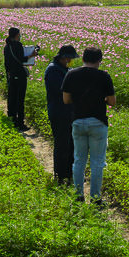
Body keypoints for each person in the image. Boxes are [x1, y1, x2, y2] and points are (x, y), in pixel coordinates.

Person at [61, 47, 116, 204]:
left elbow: (66, 100)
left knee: (79, 159)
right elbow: (112, 101)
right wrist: (100, 100)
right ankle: (96, 198)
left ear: (83, 59)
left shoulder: (71, 74)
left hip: (78, 122)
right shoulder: (104, 76)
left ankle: (78, 196)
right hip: (97, 123)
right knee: (97, 162)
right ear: (99, 60)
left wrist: (80, 101)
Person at [44, 45, 79, 184]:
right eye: (69, 58)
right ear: (63, 57)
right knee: (61, 144)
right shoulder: (53, 70)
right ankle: (60, 175)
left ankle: (69, 173)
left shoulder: (65, 69)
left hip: (69, 112)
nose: (70, 61)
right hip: (59, 112)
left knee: (70, 144)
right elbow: (61, 91)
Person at [4, 27, 36, 130]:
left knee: (12, 97)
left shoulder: (6, 47)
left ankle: (12, 119)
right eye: (19, 34)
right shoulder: (18, 45)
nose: (20, 36)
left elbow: (7, 63)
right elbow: (22, 59)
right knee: (20, 99)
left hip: (11, 75)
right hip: (20, 74)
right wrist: (32, 55)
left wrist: (8, 74)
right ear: (17, 35)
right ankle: (20, 123)